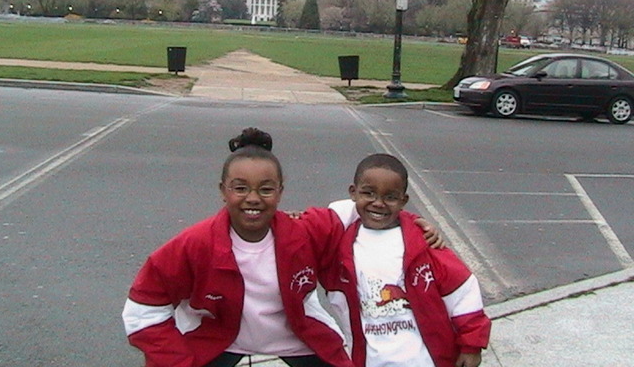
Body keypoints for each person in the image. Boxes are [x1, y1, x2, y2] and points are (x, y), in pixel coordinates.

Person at [122, 128, 443, 367]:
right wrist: (175, 360)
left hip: (298, 341)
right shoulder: (195, 244)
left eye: (265, 189)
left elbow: (366, 207)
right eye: (240, 188)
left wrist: (413, 223)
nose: (252, 199)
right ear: (223, 190)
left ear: (280, 192)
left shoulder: (303, 231)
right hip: (219, 342)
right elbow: (143, 309)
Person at [323, 153, 491, 367]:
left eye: (390, 197)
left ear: (403, 201)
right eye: (369, 193)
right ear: (353, 193)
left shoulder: (423, 243)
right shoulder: (340, 247)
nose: (379, 203)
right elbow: (306, 235)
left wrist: (471, 345)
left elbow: (463, 291)